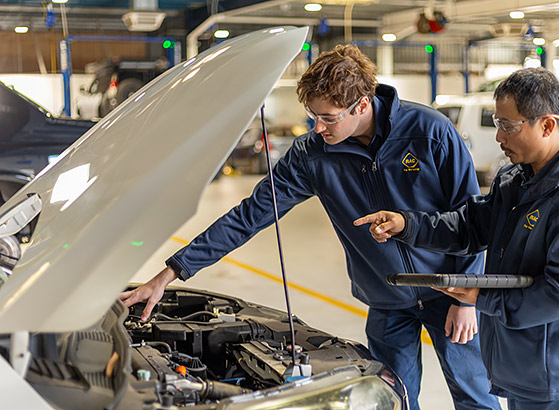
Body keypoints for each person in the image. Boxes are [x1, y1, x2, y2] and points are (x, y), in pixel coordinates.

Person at [120, 44, 500, 410]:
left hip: (449, 291)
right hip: (386, 299)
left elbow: (470, 218)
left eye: (329, 118)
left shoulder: (429, 132)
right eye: (312, 116)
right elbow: (251, 214)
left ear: (362, 104)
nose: (317, 128)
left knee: (474, 396)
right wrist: (172, 272)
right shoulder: (312, 156)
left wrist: (464, 295)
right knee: (392, 399)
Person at [355, 67, 559, 410]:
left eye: (508, 127)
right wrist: (407, 224)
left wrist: (482, 298)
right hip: (522, 367)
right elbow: (470, 226)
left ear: (548, 125)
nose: (499, 137)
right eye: (497, 124)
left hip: (556, 377)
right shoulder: (516, 179)